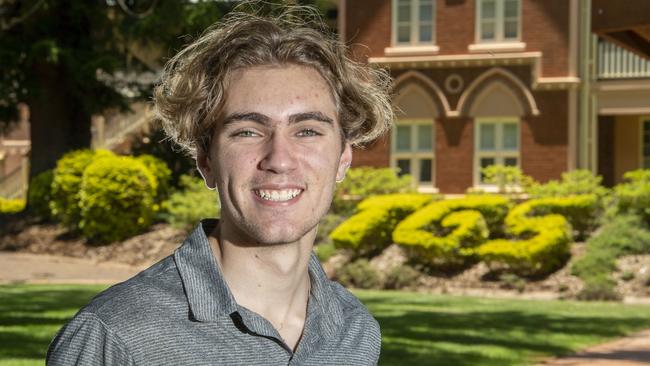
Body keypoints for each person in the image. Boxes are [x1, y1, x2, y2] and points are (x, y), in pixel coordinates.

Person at [46, 4, 393, 365]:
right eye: (247, 131)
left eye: (307, 131)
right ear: (205, 160)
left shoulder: (354, 332)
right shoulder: (118, 337)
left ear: (343, 158)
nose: (279, 159)